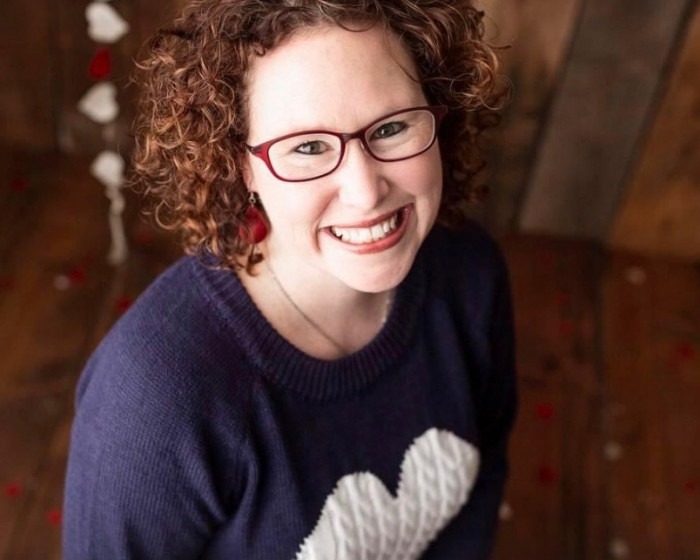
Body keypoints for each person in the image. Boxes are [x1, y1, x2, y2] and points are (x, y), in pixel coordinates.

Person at [62, 0, 517, 558]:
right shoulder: (155, 395)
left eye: (392, 126)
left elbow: (482, 481)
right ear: (241, 165)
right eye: (307, 147)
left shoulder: (471, 274)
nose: (365, 191)